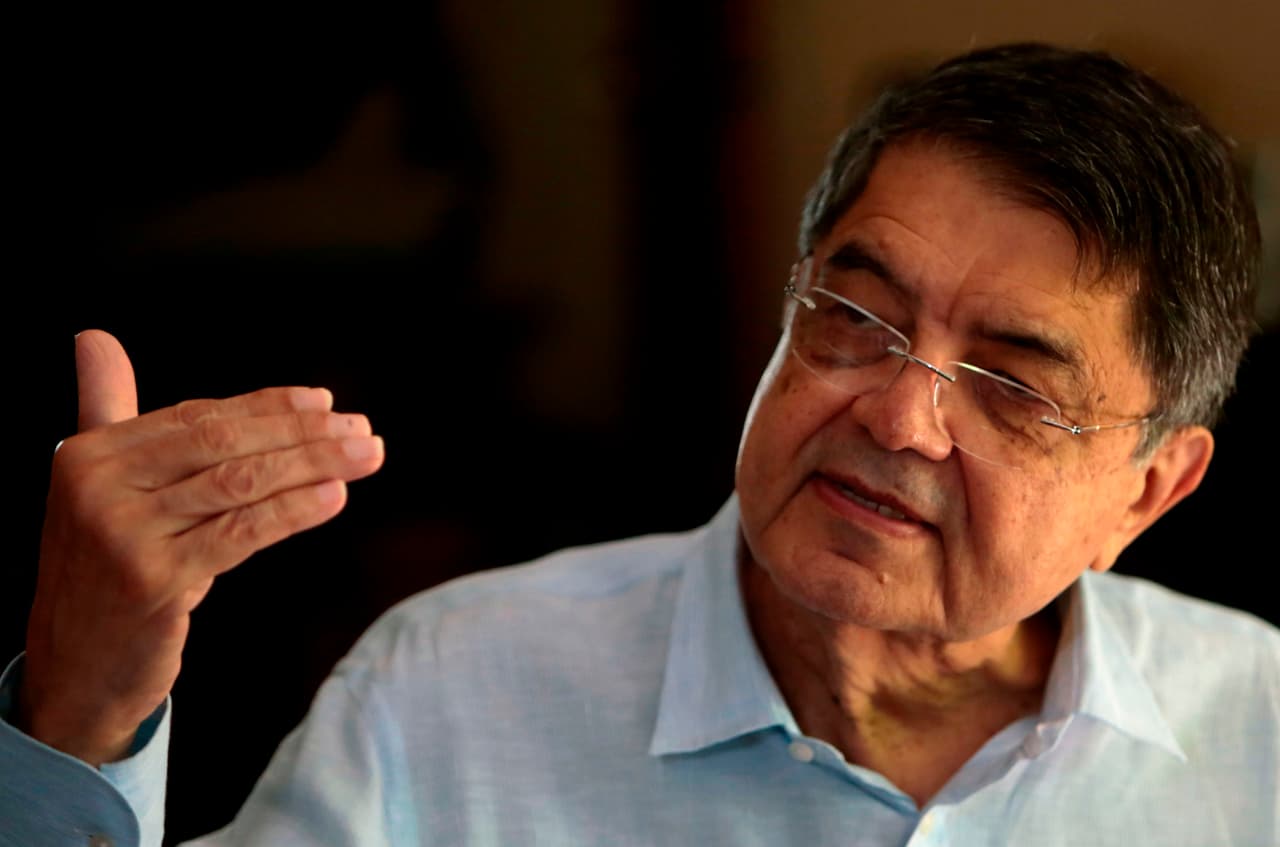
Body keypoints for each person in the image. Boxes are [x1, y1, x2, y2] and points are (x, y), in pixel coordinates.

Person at [2, 42, 1277, 846]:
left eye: (1008, 382)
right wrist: (84, 712)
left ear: (1149, 487)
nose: (896, 415)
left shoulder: (1256, 734)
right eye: (851, 315)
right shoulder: (449, 693)